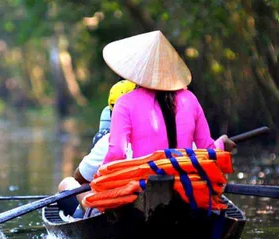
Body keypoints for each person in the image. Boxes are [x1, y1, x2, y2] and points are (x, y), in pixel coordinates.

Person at [101, 30, 236, 164]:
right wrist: (221, 143)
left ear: (138, 69)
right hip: (186, 182)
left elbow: (116, 153)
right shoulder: (189, 99)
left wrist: (99, 177)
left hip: (145, 182)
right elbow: (208, 151)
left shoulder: (125, 103)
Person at [57, 80, 135, 218]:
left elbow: (79, 177)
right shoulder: (157, 135)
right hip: (139, 202)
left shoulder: (109, 140)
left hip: (111, 212)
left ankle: (86, 215)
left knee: (67, 183)